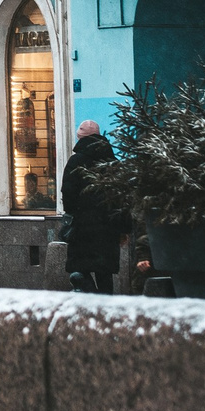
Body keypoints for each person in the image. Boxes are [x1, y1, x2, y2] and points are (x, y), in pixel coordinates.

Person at [61, 119, 130, 294]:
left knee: (80, 269)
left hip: (83, 227)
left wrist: (71, 215)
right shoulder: (113, 162)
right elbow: (123, 198)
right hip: (109, 227)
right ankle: (105, 303)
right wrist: (124, 229)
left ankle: (92, 297)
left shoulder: (76, 161)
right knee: (104, 272)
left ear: (80, 138)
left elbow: (68, 192)